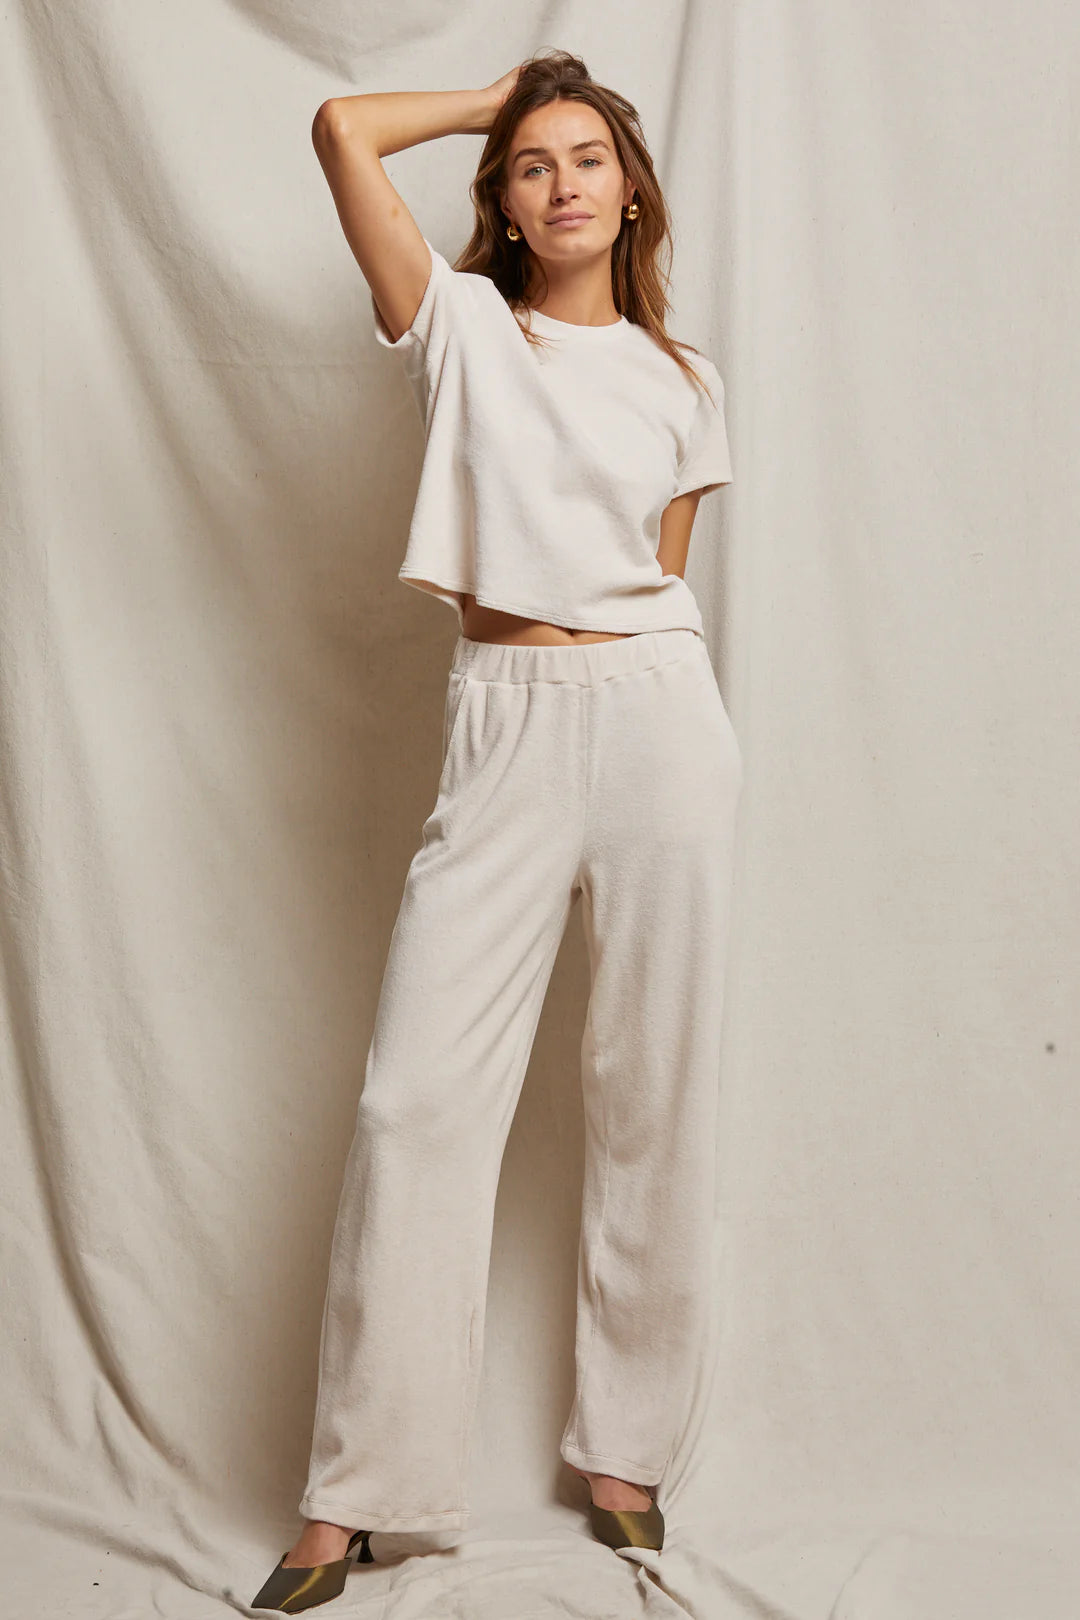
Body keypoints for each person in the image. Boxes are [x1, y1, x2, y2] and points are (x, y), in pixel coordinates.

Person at [252, 47, 743, 1614]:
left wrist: (550, 110)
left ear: (632, 187)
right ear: (507, 206)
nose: (563, 181)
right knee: (417, 1102)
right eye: (534, 165)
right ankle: (356, 1496)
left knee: (654, 1084)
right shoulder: (462, 326)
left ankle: (626, 1451)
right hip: (508, 716)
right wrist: (503, 95)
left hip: (663, 715)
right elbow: (341, 127)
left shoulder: (687, 382)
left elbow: (657, 575)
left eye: (590, 156)